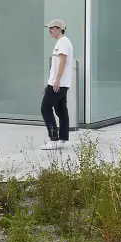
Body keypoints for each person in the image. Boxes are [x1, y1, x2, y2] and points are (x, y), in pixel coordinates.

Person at [41, 19, 75, 150]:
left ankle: (54, 139)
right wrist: (50, 83)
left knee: (45, 108)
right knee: (61, 110)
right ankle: (62, 138)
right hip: (58, 83)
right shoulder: (61, 43)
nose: (50, 30)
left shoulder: (63, 43)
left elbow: (63, 62)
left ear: (59, 29)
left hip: (59, 84)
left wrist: (57, 81)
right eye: (49, 28)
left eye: (52, 28)